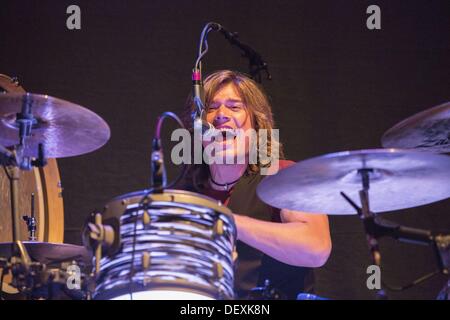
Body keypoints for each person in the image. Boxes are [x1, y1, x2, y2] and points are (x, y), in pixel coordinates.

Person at [180, 70, 331, 299]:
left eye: (234, 107)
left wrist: (228, 222)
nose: (221, 115)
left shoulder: (282, 175)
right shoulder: (186, 195)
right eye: (211, 108)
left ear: (257, 126)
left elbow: (316, 248)